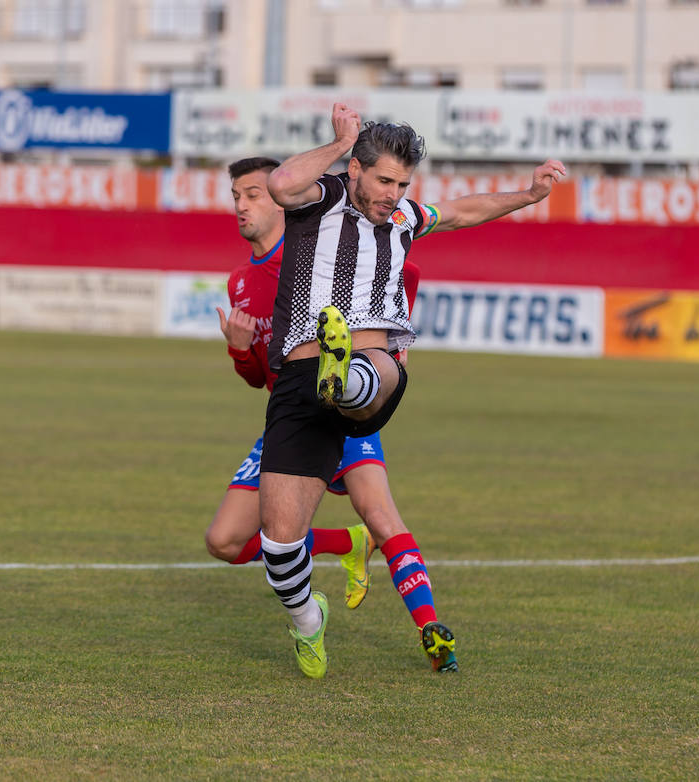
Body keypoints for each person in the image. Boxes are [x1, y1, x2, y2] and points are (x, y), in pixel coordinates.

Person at [256, 103, 566, 678]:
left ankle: (344, 371)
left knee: (378, 369)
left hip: (373, 368)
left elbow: (462, 212)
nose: (394, 194)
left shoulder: (403, 220)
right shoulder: (321, 197)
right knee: (277, 545)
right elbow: (279, 182)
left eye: (402, 184)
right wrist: (339, 144)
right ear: (356, 170)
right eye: (383, 181)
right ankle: (307, 619)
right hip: (301, 382)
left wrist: (527, 195)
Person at [205, 156, 445, 669]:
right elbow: (255, 377)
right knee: (225, 540)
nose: (242, 206)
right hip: (289, 412)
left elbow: (404, 265)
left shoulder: (318, 242)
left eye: (252, 194)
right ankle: (342, 548)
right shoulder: (241, 282)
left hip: (341, 403)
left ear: (282, 198)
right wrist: (239, 350)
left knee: (382, 514)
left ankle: (430, 629)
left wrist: (392, 348)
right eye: (236, 197)